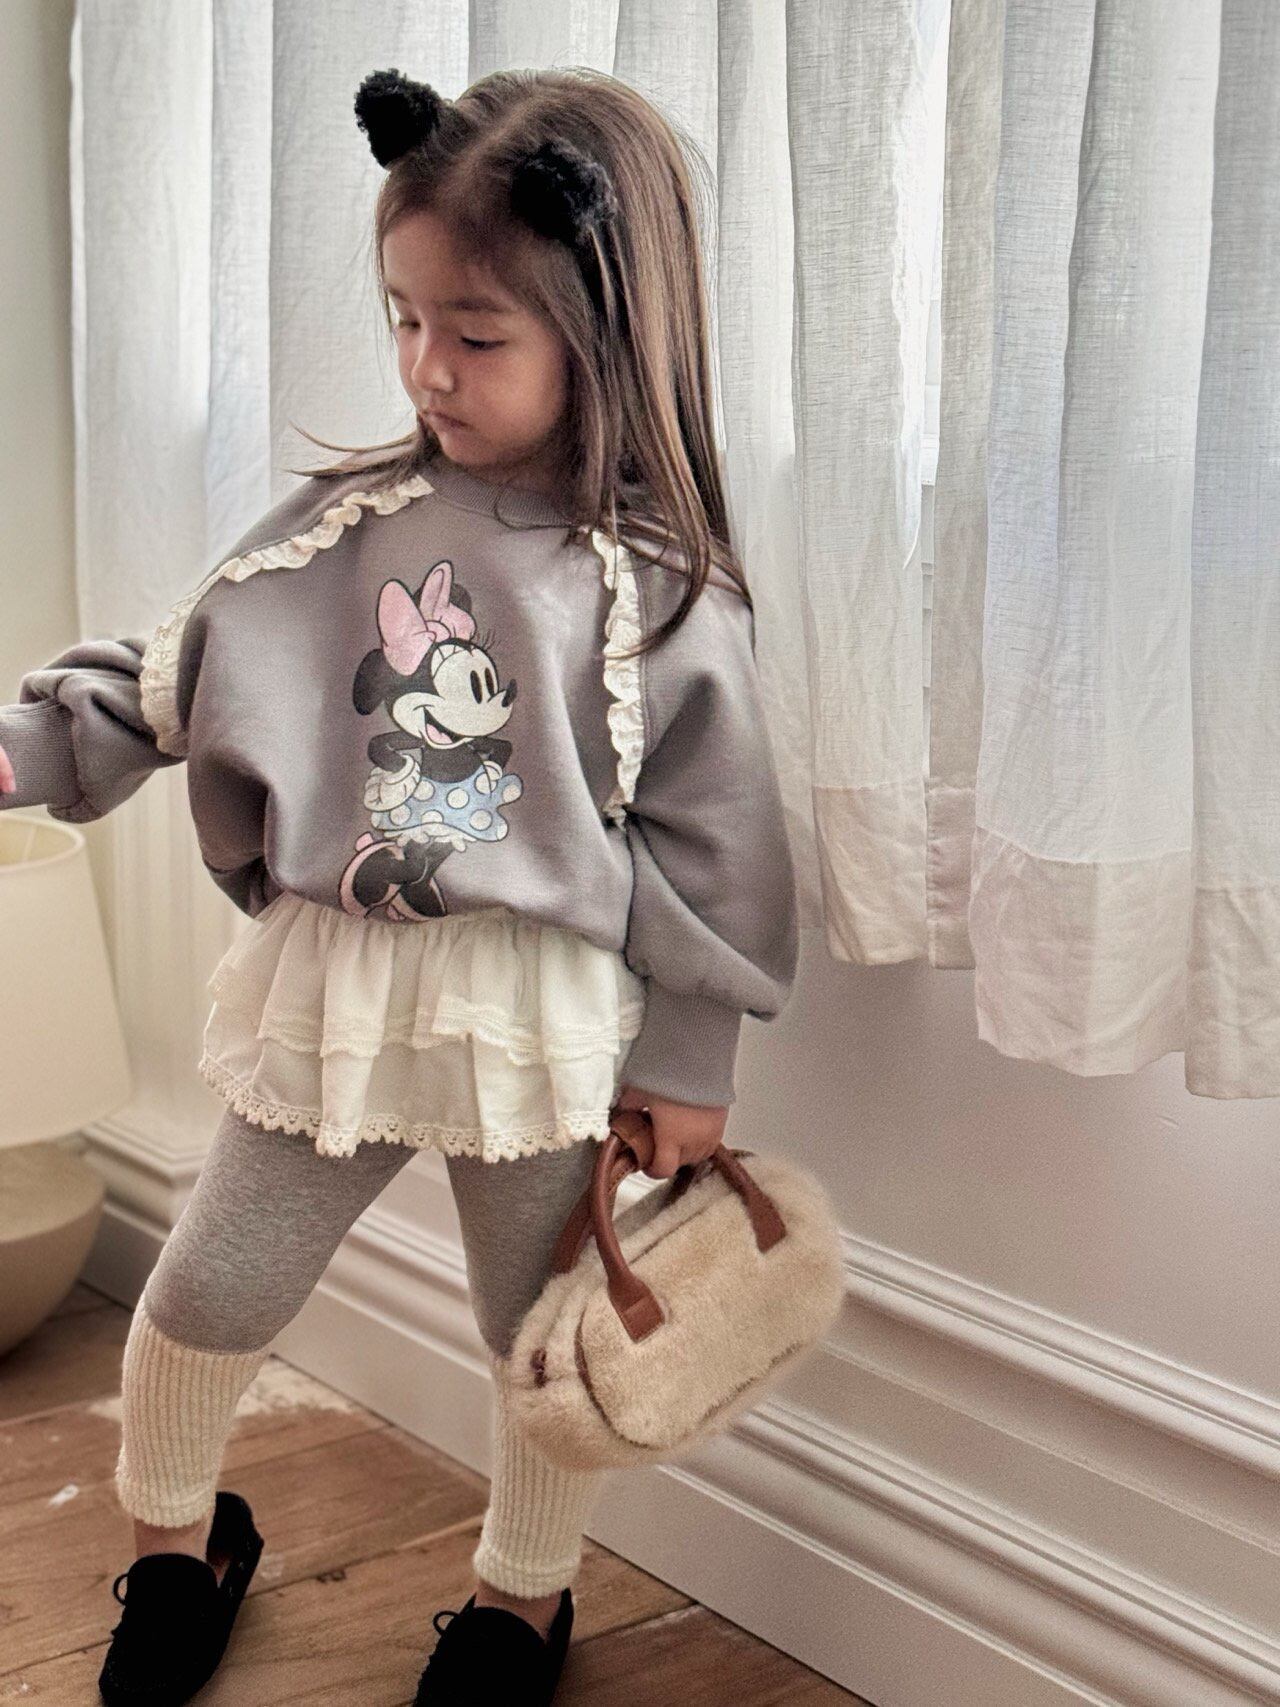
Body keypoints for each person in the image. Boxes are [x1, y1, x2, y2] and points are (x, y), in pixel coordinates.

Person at [0, 64, 799, 1707]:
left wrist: (690, 1062)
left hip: (536, 1020)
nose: (429, 367)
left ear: (606, 329)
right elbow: (174, 676)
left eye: (476, 334)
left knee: (541, 1335)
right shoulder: (340, 527)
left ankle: (522, 1600)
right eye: (405, 319)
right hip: (341, 990)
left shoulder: (656, 591)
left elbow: (715, 845)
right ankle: (174, 1546)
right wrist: (21, 754)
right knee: (211, 1285)